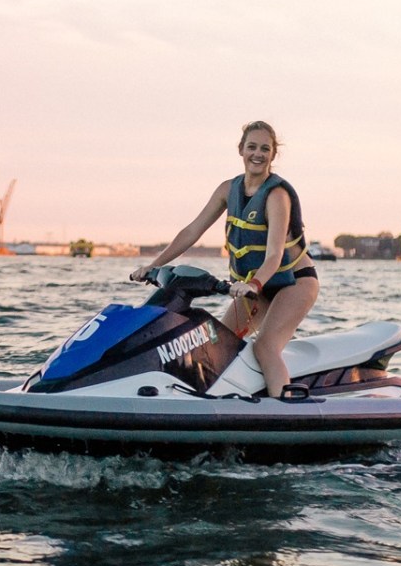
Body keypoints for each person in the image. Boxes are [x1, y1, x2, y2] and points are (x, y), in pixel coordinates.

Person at [130, 121, 319, 398]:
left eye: (265, 149)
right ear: (241, 150)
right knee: (218, 344)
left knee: (265, 346)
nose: (258, 153)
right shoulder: (227, 190)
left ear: (273, 155)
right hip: (256, 286)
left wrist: (253, 284)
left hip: (294, 283)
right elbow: (192, 230)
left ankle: (286, 410)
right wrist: (153, 265)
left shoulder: (276, 196)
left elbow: (275, 254)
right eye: (252, 147)